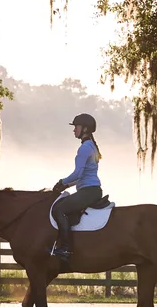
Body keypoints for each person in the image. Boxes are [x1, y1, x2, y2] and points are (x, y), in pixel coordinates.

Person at [49, 113, 102, 266]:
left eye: (76, 127)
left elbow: (77, 174)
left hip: (88, 191)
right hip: (90, 189)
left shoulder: (85, 148)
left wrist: (61, 182)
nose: (74, 130)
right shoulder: (90, 146)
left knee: (59, 210)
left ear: (85, 129)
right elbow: (81, 176)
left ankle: (64, 248)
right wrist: (66, 186)